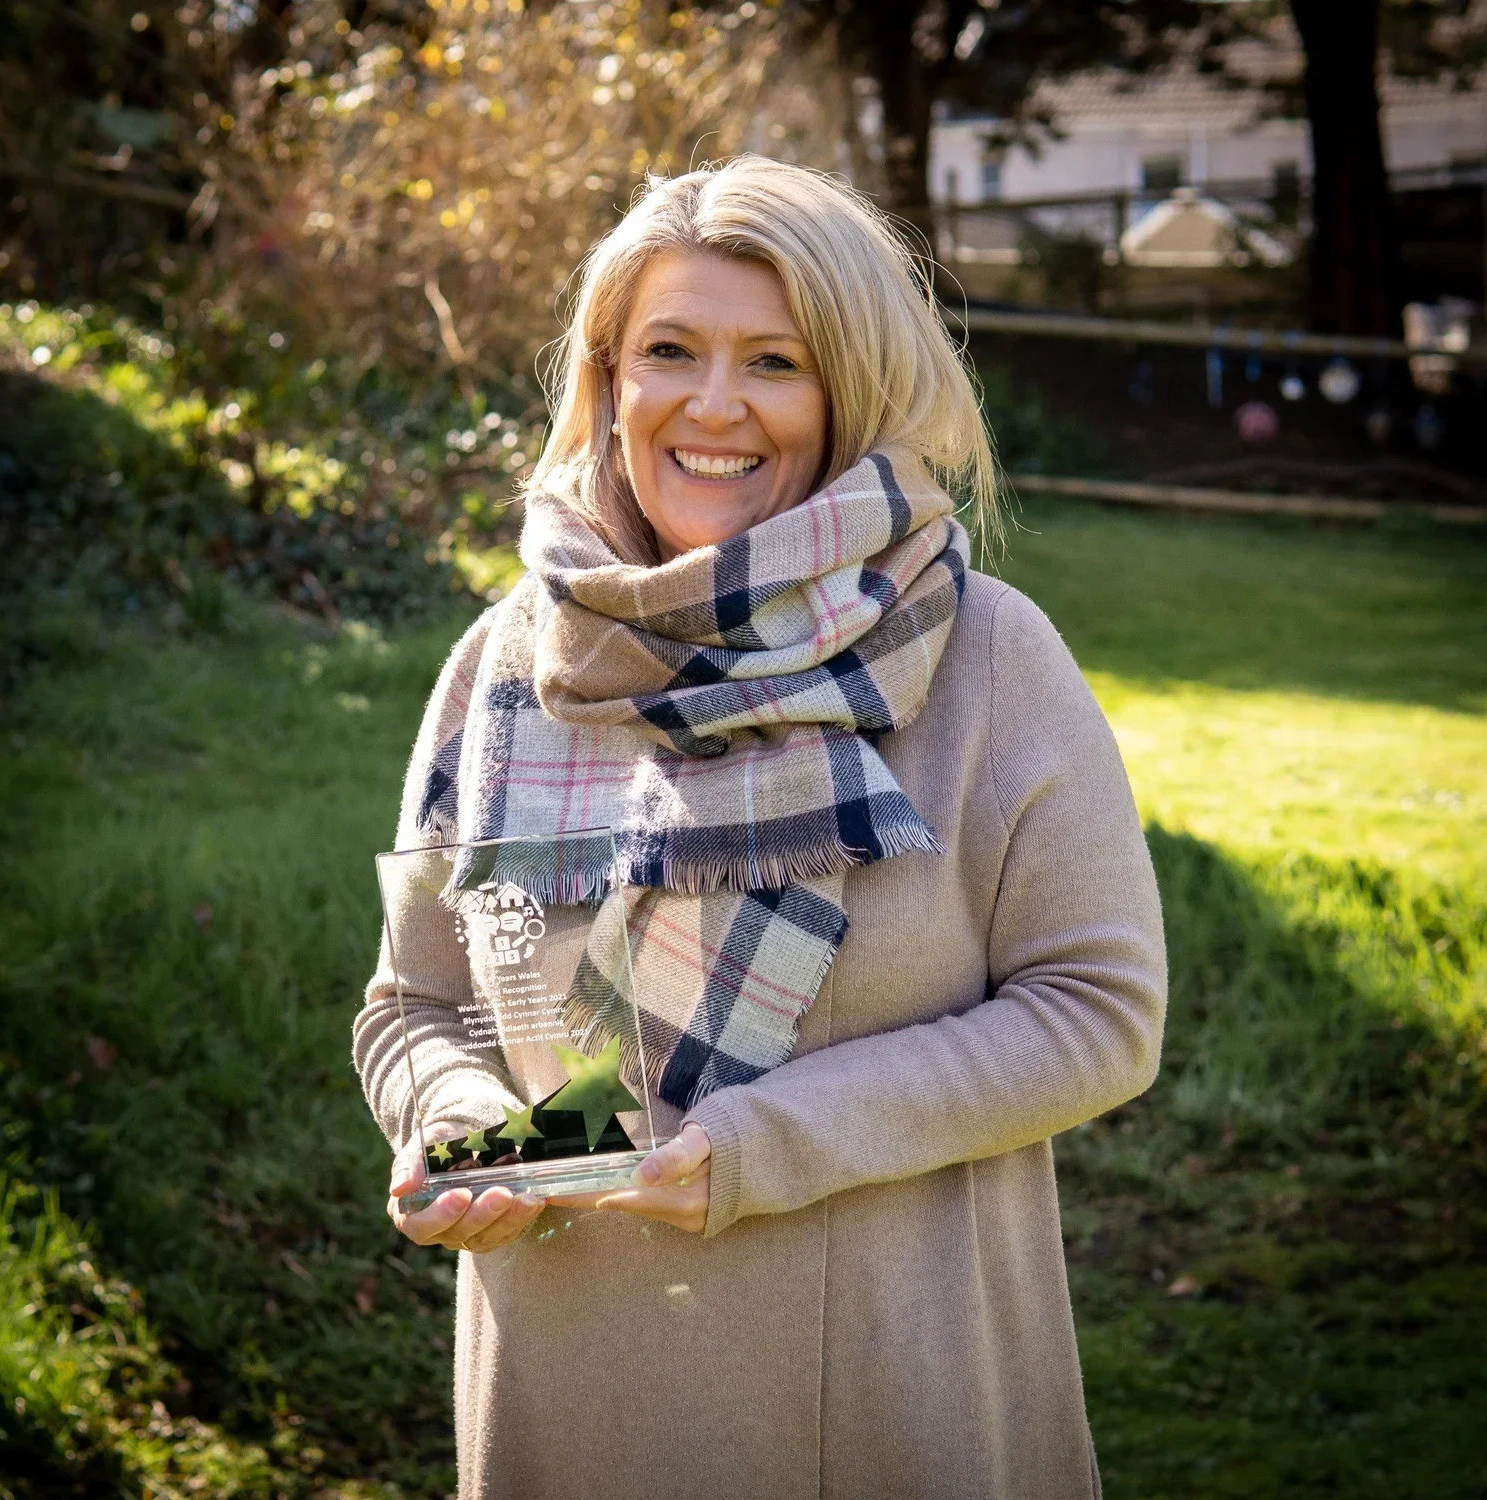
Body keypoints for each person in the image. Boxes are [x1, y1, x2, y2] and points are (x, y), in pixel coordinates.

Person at [355, 155, 1166, 1500]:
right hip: (569, 1399)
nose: (714, 406)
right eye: (670, 350)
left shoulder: (983, 658)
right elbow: (414, 1005)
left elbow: (1100, 1011)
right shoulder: (507, 666)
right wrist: (454, 1122)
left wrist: (760, 1146)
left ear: (846, 388)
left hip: (893, 1408)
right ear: (610, 380)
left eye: (775, 362)